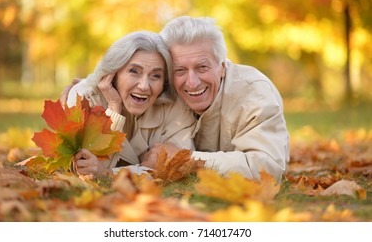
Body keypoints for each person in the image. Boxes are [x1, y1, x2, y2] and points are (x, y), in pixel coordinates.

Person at [141, 16, 289, 182]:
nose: (192, 82)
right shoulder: (157, 90)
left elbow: (267, 168)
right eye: (180, 70)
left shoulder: (254, 93)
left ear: (222, 67)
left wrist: (186, 159)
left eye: (202, 67)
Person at [64, 31, 196, 179]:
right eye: (134, 71)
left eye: (156, 75)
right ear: (113, 73)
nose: (144, 86)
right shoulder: (83, 97)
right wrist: (114, 109)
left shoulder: (175, 106)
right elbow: (84, 169)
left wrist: (108, 174)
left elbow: (177, 165)